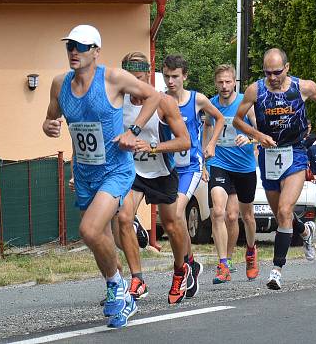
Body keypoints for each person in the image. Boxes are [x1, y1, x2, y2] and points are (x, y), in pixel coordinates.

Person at [43, 25, 163, 328]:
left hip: (115, 169)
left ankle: (116, 286)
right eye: (70, 46)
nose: (74, 52)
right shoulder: (60, 84)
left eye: (81, 47)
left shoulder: (112, 78)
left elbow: (153, 97)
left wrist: (132, 131)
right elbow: (50, 117)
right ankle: (121, 294)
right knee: (101, 238)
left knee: (89, 230)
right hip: (84, 172)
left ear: (96, 51)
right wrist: (49, 126)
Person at [233, 48, 316, 290]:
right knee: (281, 215)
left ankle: (276, 270)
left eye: (277, 72)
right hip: (269, 154)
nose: (273, 77)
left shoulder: (302, 87)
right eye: (268, 72)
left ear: (287, 67)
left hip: (295, 152)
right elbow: (237, 120)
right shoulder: (256, 90)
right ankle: (305, 231)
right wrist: (257, 135)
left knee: (286, 209)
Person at [113, 52, 191, 306]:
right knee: (123, 218)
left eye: (137, 78)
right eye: (128, 79)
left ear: (147, 75)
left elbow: (185, 141)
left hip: (161, 171)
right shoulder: (117, 101)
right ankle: (137, 278)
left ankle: (181, 270)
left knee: (171, 224)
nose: (133, 86)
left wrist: (153, 147)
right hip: (131, 172)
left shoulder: (163, 103)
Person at [161, 55, 225, 297]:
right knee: (172, 221)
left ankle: (185, 266)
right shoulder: (161, 100)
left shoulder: (196, 99)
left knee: (177, 213)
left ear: (184, 76)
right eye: (167, 76)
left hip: (191, 166)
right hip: (167, 167)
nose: (170, 81)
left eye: (175, 76)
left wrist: (212, 144)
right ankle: (191, 263)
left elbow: (219, 119)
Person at [204, 64, 259, 284]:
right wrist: (206, 156)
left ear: (234, 82)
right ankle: (223, 264)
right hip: (219, 163)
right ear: (215, 83)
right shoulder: (211, 104)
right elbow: (208, 127)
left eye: (228, 82)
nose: (224, 86)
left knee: (241, 216)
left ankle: (251, 251)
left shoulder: (245, 102)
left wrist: (250, 139)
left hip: (244, 166)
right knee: (218, 212)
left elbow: (260, 132)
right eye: (220, 82)